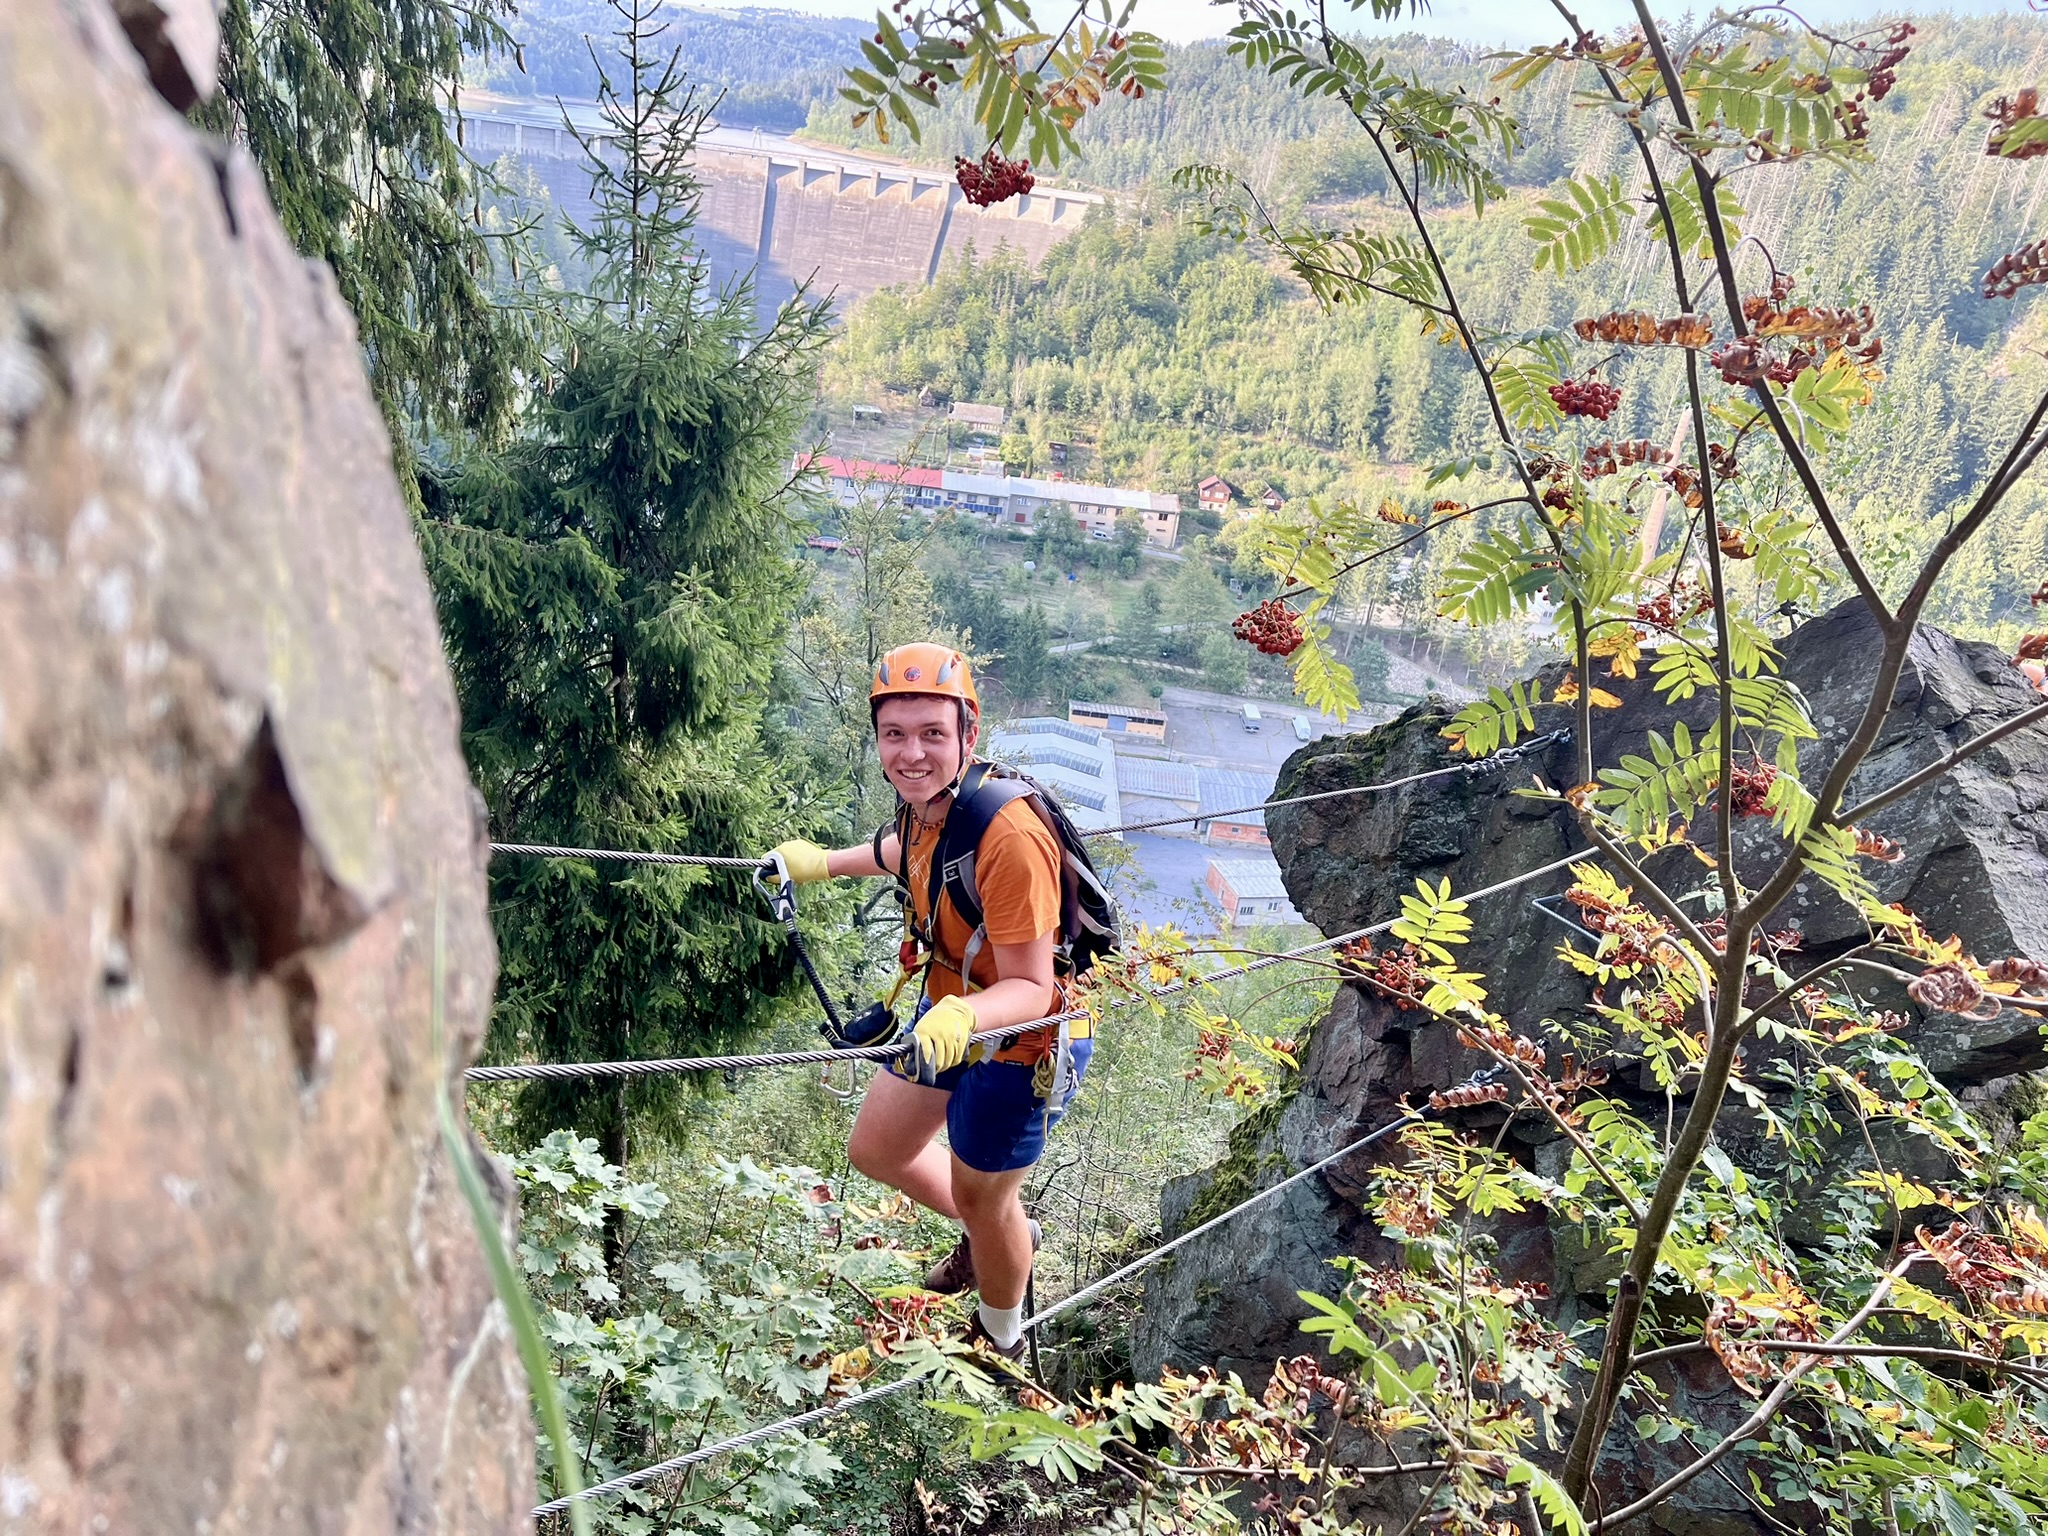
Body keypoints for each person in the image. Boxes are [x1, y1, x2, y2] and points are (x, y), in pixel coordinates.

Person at [764, 643, 1090, 1363]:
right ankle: (1007, 1233)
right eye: (895, 735)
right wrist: (820, 863)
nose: (912, 754)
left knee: (982, 1198)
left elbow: (1034, 988)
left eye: (932, 734)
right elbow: (902, 851)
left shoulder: (1007, 836)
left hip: (1024, 1045)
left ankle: (1001, 1332)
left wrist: (965, 1016)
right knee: (877, 1150)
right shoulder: (929, 809)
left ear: (969, 734)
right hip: (951, 1015)